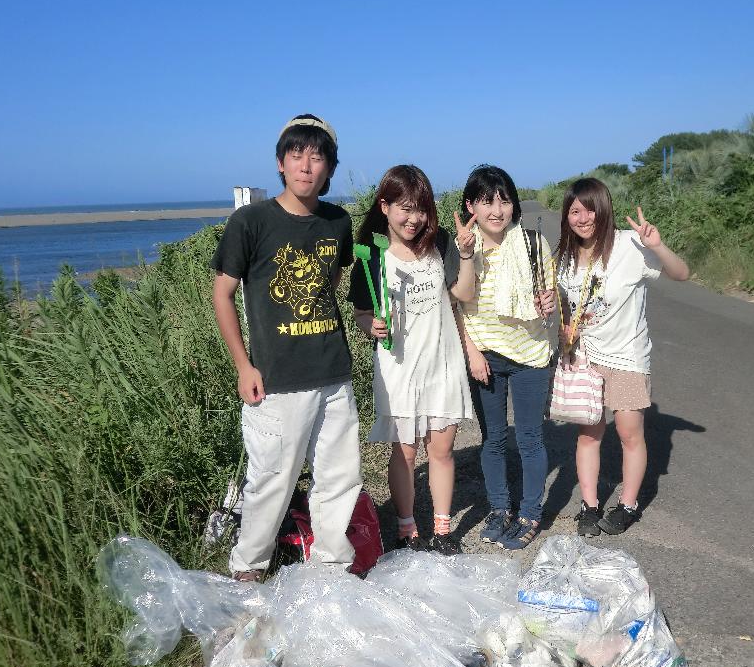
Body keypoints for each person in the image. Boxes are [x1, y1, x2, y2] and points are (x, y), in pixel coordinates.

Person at [211, 114, 362, 581]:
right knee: (271, 480)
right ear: (280, 163)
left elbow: (330, 285)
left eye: (317, 157)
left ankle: (331, 568)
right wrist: (243, 365)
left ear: (329, 168)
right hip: (276, 380)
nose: (305, 166)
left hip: (333, 373)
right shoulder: (251, 221)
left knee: (340, 477)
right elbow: (222, 293)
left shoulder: (338, 222)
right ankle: (249, 567)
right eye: (296, 155)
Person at [348, 165, 478, 555]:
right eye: (405, 208)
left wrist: (466, 255)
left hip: (442, 361)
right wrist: (370, 325)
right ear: (384, 207)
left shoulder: (441, 242)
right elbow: (360, 313)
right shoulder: (371, 256)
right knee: (404, 453)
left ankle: (442, 529)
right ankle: (407, 528)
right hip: (399, 369)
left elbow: (463, 294)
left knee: (441, 451)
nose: (414, 218)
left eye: (420, 208)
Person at [555, 178, 689, 537]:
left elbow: (681, 274)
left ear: (604, 209)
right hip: (585, 357)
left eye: (590, 210)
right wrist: (565, 330)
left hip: (627, 357)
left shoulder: (630, 245)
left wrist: (658, 246)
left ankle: (627, 506)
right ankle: (589, 506)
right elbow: (567, 306)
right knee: (589, 433)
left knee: (630, 433)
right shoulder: (565, 258)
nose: (583, 218)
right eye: (575, 211)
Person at [460, 165, 557, 551]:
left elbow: (548, 294)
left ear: (514, 205)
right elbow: (457, 305)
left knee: (530, 439)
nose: (497, 210)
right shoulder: (463, 248)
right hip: (485, 354)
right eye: (487, 201)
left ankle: (530, 513)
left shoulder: (533, 243)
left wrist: (548, 302)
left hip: (530, 354)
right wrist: (471, 353)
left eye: (504, 200)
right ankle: (500, 509)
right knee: (494, 439)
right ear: (471, 206)